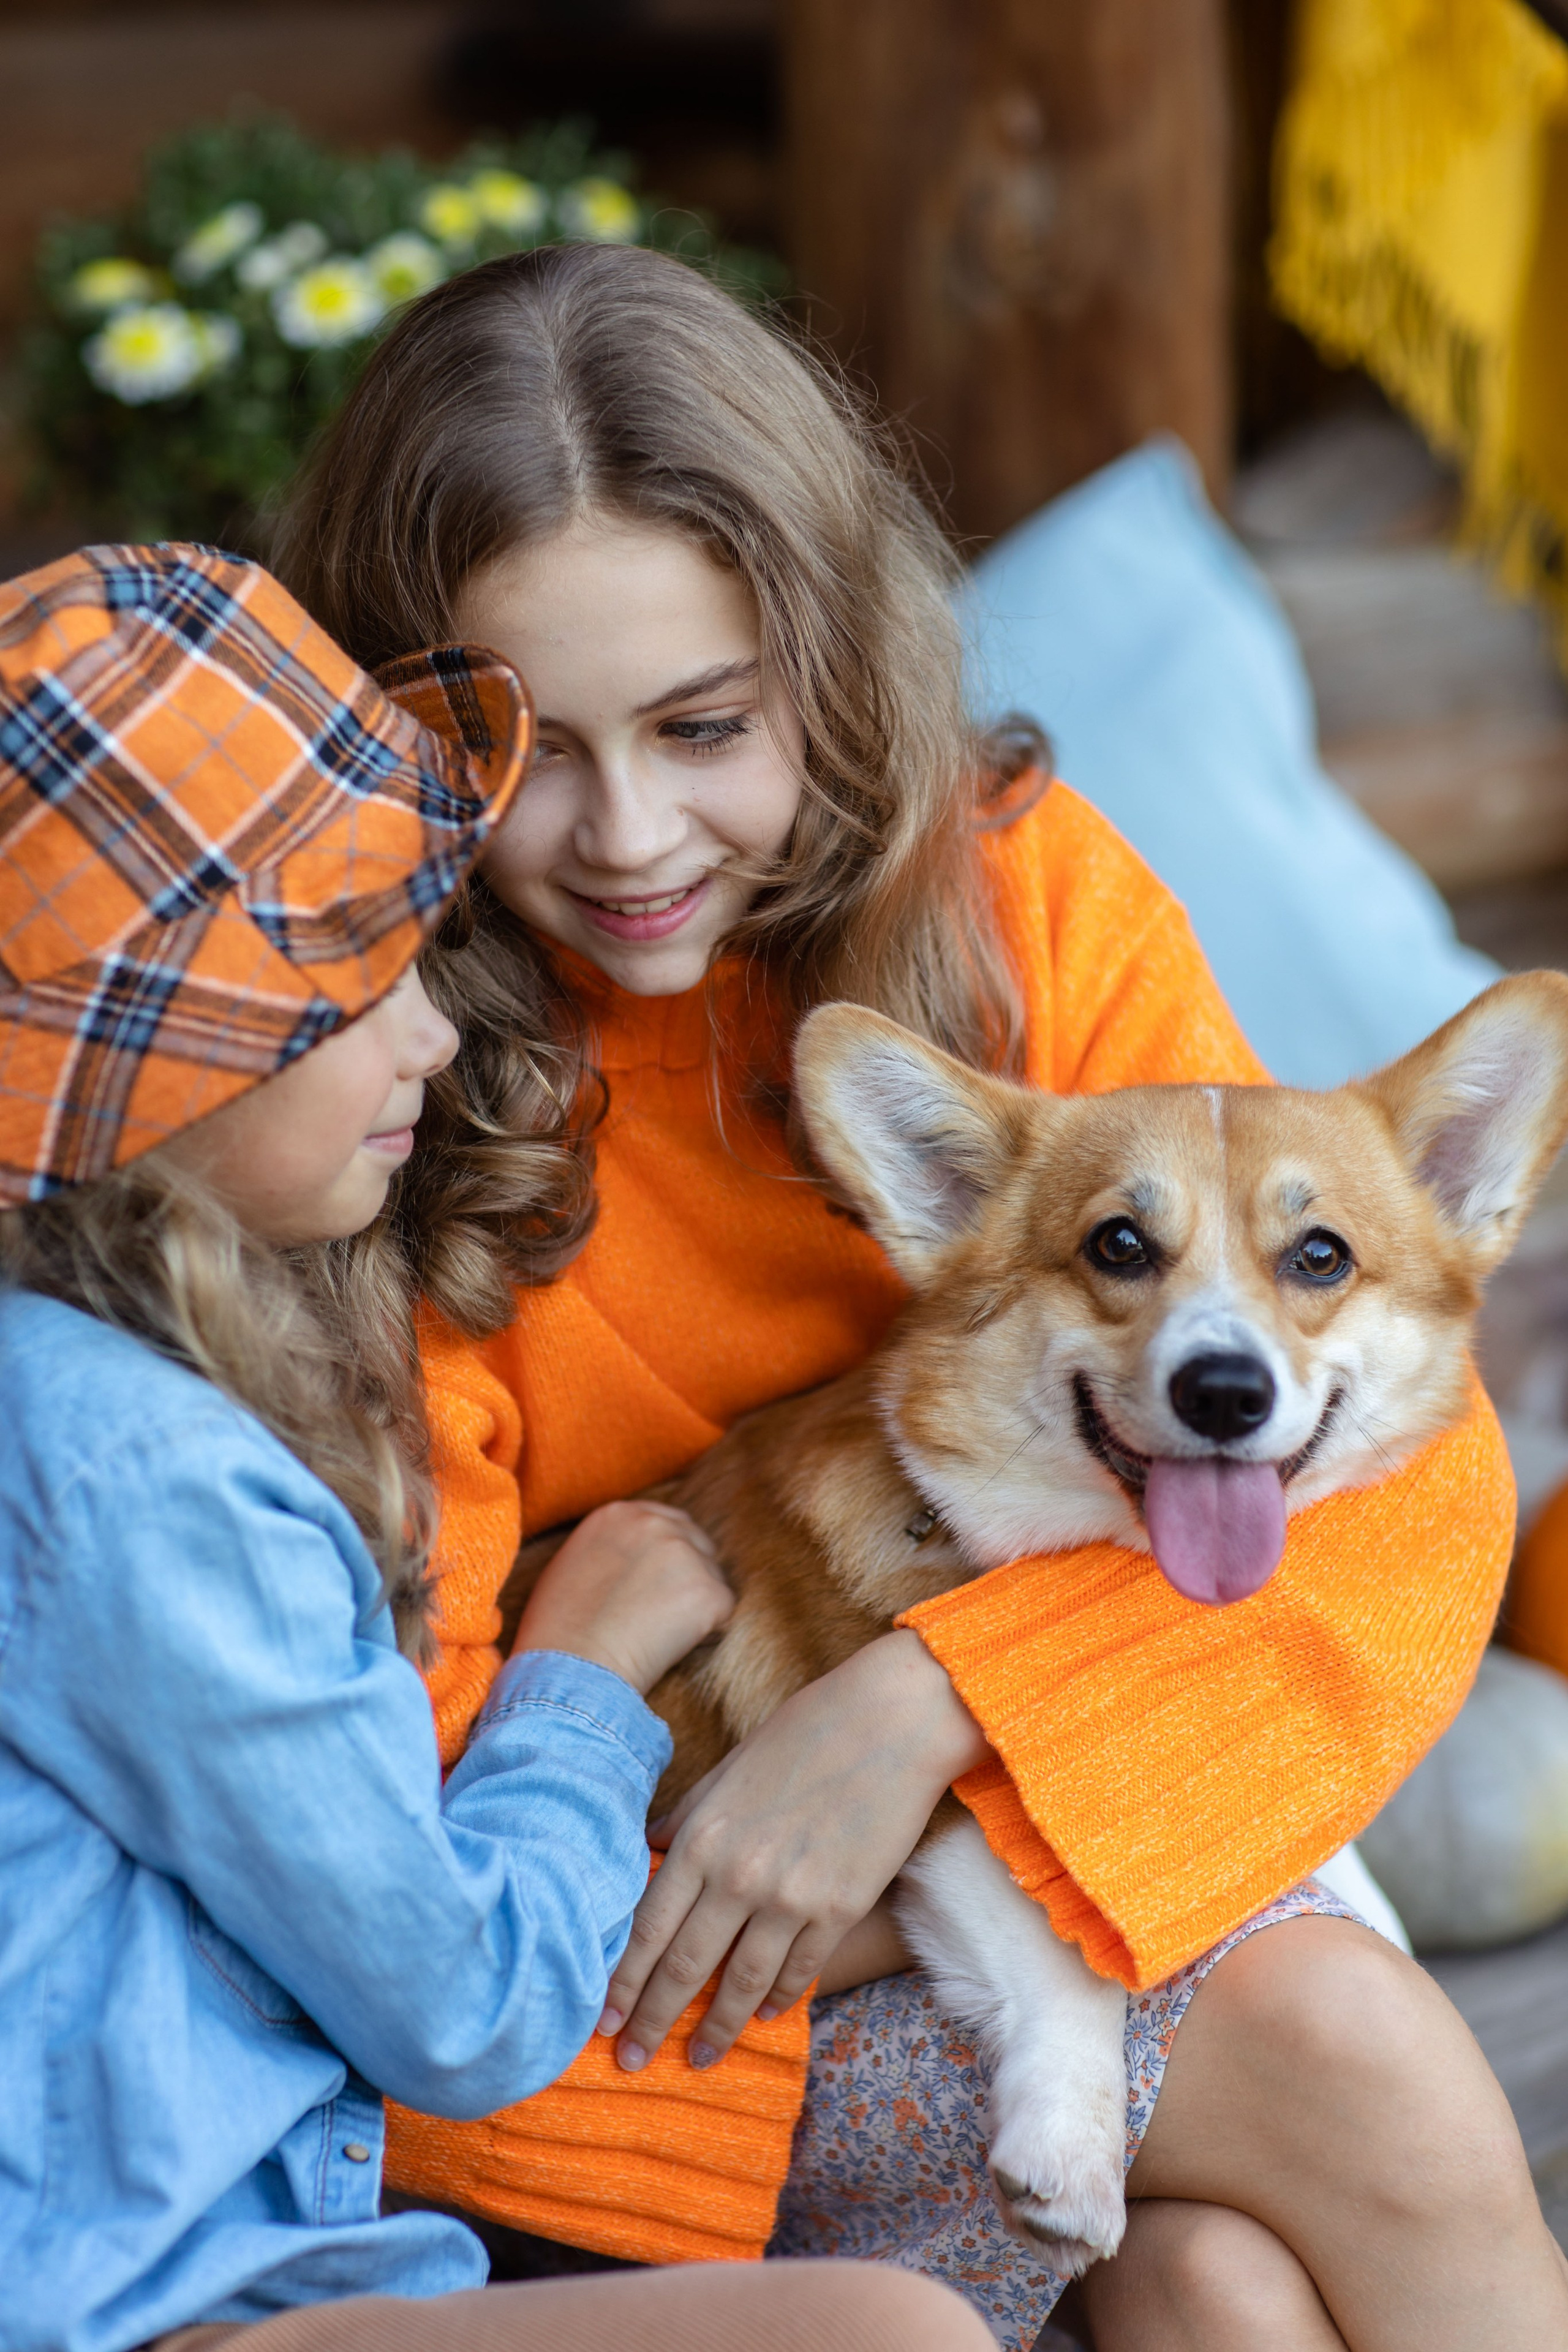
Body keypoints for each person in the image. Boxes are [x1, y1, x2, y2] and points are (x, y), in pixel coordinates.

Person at [274, 245, 1568, 2350]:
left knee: (1227, 2292)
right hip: (620, 2022)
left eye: (705, 725)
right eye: (528, 752)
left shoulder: (1022, 891)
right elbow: (387, 1876)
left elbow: (1409, 1495)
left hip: (962, 1855)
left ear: (834, 661)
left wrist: (931, 1709)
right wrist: (880, 1851)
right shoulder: (348, 1100)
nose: (629, 839)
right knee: (1361, 2069)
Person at [0, 545, 995, 2352]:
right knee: (888, 2340)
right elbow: (458, 2008)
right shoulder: (137, 1476)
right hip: (141, 2298)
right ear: (160, 1073)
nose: (436, 1033)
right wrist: (582, 1676)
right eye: (351, 990)